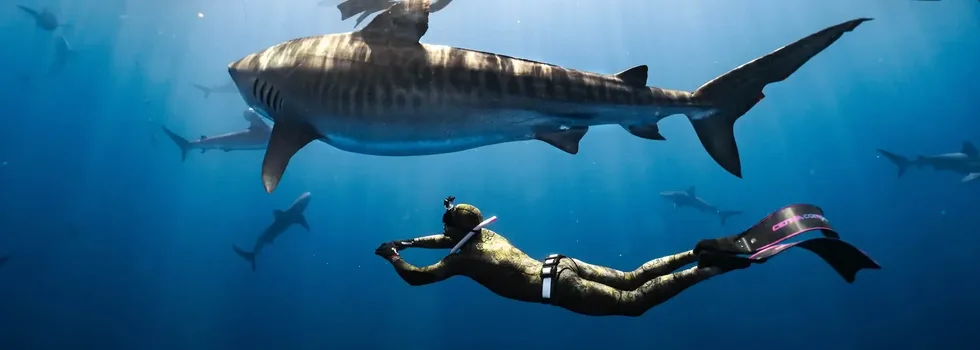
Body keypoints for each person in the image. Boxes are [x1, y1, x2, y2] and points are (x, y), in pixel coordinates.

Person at [375, 196, 880, 317]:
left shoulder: (462, 259)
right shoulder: (483, 239)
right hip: (561, 264)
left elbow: (422, 278)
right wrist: (407, 239)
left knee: (635, 302)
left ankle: (714, 264)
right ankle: (700, 250)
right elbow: (447, 237)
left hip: (557, 287)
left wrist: (392, 259)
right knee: (634, 274)